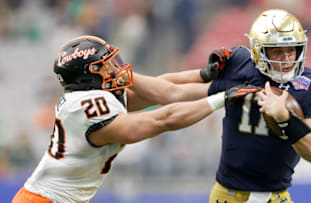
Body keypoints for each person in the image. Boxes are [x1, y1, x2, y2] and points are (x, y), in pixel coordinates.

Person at [11, 35, 261, 203]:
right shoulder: (85, 107)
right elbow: (162, 120)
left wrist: (207, 77)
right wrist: (223, 98)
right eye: (105, 65)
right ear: (87, 75)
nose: (114, 68)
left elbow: (165, 89)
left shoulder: (96, 96)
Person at [132, 9, 311, 203]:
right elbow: (172, 90)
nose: (286, 59)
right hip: (227, 196)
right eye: (277, 51)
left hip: (275, 197)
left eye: (292, 50)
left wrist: (285, 118)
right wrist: (125, 78)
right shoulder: (240, 67)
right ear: (258, 51)